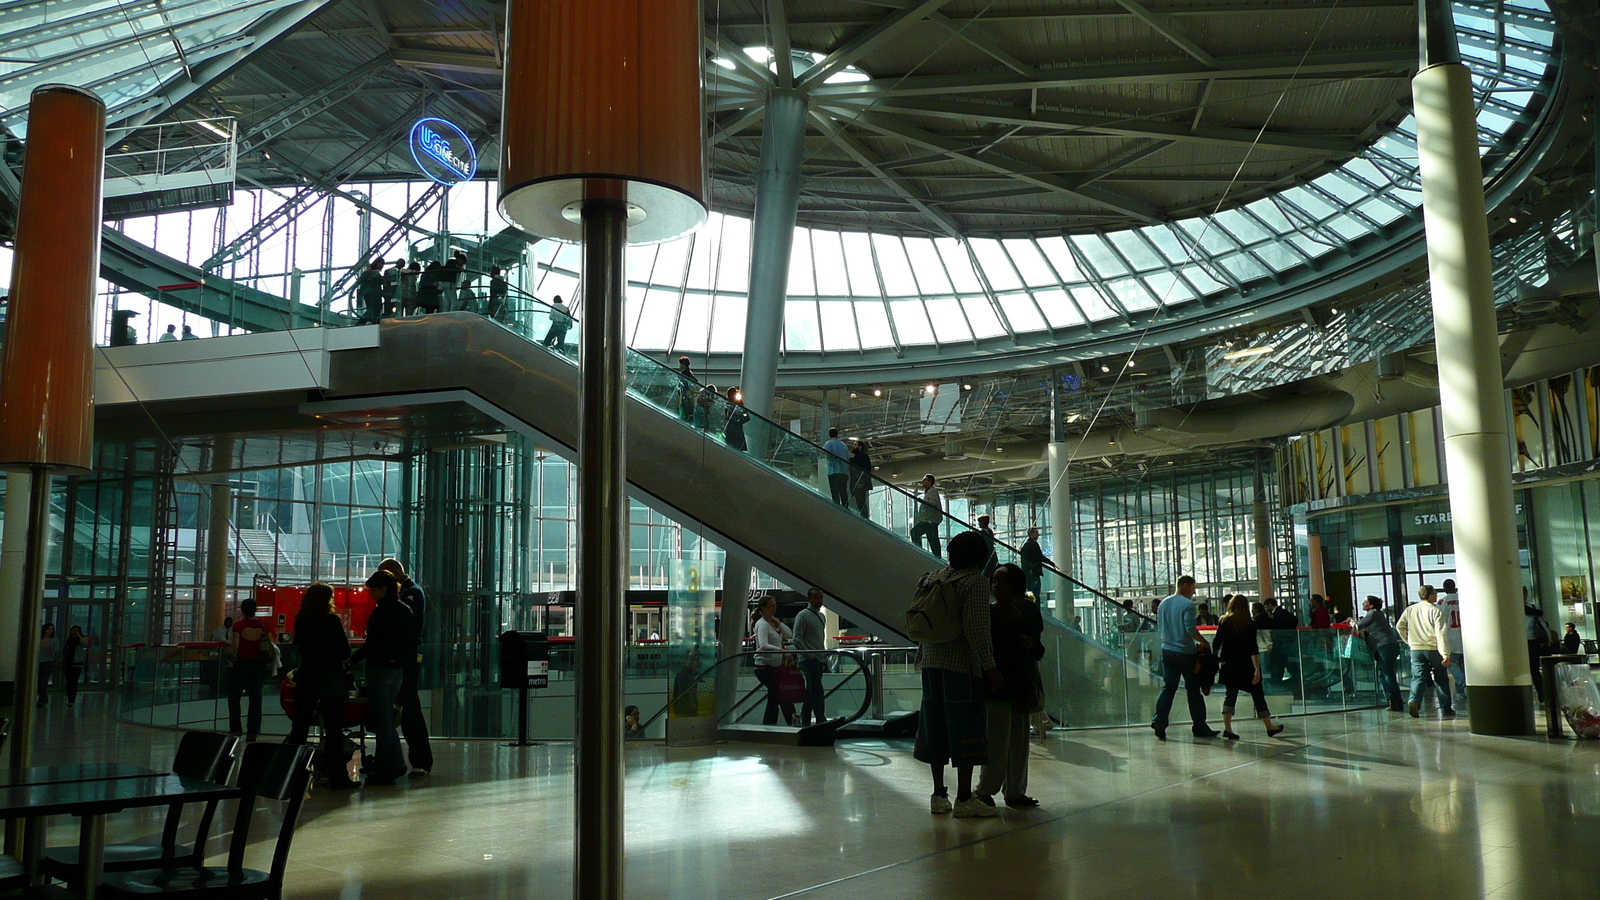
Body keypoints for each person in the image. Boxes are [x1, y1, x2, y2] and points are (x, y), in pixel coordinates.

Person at [914, 531, 1003, 818]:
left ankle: (938, 795)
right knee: (966, 729)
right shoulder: (975, 583)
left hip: (930, 664)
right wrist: (989, 667)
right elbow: (977, 628)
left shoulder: (932, 578)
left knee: (935, 726)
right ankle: (964, 798)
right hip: (961, 668)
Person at [975, 563, 1042, 809]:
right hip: (1001, 683)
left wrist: (1029, 644)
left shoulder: (1020, 611)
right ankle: (992, 790)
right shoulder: (995, 612)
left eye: (1001, 581)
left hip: (1015, 682)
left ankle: (1007, 790)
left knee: (1012, 739)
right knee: (1000, 738)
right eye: (994, 581)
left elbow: (1038, 648)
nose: (996, 586)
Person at [286, 583, 356, 789]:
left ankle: (292, 774)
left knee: (299, 728)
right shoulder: (332, 620)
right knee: (334, 730)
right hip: (330, 679)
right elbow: (344, 651)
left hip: (307, 677)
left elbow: (299, 650)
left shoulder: (302, 621)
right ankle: (338, 777)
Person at [351, 569, 414, 785]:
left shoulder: (379, 614)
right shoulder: (405, 610)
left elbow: (371, 645)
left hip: (379, 669)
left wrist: (351, 660)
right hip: (398, 670)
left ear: (383, 589)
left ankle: (390, 764)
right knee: (387, 718)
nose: (371, 594)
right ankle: (391, 763)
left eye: (373, 590)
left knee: (381, 721)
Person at [377, 557, 433, 777]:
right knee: (403, 709)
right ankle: (402, 760)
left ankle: (420, 761)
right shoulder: (407, 594)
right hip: (399, 659)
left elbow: (406, 627)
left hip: (406, 659)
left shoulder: (411, 594)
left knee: (409, 708)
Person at [1150, 575, 1216, 741]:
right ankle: (1200, 726)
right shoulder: (1187, 605)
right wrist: (1204, 642)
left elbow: (1161, 627)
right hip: (1185, 653)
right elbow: (1190, 629)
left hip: (1167, 650)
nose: (1193, 592)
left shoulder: (1164, 603)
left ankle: (1159, 720)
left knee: (1169, 687)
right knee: (1193, 690)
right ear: (1185, 586)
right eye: (1193, 588)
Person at [1211, 594, 1286, 740]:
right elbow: (1253, 648)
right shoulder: (1250, 623)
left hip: (1229, 663)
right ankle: (1269, 726)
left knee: (1230, 694)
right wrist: (1257, 669)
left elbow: (1217, 642)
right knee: (1257, 694)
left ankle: (1228, 728)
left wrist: (1216, 659)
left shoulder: (1224, 621)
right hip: (1246, 665)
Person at [1397, 584, 1455, 719]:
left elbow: (1399, 626)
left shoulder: (1410, 609)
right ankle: (1446, 708)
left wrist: (1408, 640)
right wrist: (1445, 654)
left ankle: (1414, 700)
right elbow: (1441, 634)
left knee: (1418, 677)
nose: (1436, 595)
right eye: (1435, 593)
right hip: (1433, 648)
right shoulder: (1435, 611)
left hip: (1416, 649)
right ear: (1430, 595)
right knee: (1441, 678)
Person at [227, 601, 271, 740]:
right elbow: (271, 643)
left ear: (242, 610)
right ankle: (253, 732)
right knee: (256, 698)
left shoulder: (238, 625)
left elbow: (235, 646)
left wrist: (228, 653)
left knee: (234, 697)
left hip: (242, 664)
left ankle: (235, 729)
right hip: (259, 665)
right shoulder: (263, 625)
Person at [1354, 595, 1404, 711]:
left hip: (1383, 646)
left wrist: (1352, 623)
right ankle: (1390, 697)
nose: (1362, 603)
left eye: (1365, 602)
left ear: (1371, 605)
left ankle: (1397, 702)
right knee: (1383, 673)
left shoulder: (1373, 613)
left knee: (1388, 674)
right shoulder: (1377, 615)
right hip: (1387, 645)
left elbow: (1358, 626)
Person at [751, 595, 795, 726]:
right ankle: (791, 722)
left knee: (775, 697)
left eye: (775, 605)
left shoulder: (771, 623)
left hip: (775, 666)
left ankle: (770, 725)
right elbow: (763, 645)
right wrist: (781, 651)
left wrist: (777, 622)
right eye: (771, 606)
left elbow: (789, 634)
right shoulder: (762, 625)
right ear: (763, 608)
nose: (774, 608)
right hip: (766, 667)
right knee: (780, 695)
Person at [792, 588, 828, 726]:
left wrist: (823, 658)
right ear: (809, 599)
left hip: (817, 658)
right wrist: (810, 654)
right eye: (816, 597)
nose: (819, 600)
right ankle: (820, 718)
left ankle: (805, 719)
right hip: (808, 660)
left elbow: (820, 639)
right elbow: (796, 639)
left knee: (811, 691)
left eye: (821, 597)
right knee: (817, 689)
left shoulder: (821, 616)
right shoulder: (803, 616)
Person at [1438, 578, 1466, 707]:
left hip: (1451, 640)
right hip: (1465, 640)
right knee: (1464, 667)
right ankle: (1462, 691)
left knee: (1453, 665)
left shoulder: (1442, 602)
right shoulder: (1465, 598)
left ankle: (1464, 686)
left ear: (1444, 588)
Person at [1525, 595, 1555, 703]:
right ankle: (1541, 693)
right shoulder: (1534, 610)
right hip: (1531, 641)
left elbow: (1542, 625)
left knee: (1534, 669)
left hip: (1529, 641)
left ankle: (1541, 693)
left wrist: (1548, 638)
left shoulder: (1531, 608)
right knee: (1534, 669)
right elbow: (1543, 624)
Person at [911, 474, 945, 558]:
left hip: (929, 521)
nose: (922, 482)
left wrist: (923, 501)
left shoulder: (932, 491)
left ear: (929, 481)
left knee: (915, 532)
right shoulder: (930, 492)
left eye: (924, 480)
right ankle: (937, 558)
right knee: (933, 540)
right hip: (930, 520)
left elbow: (933, 503)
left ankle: (920, 553)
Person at [1019, 527, 1051, 600]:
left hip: (1028, 572)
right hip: (1033, 572)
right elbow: (1039, 556)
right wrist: (1050, 563)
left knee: (1030, 592)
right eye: (1036, 532)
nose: (1038, 534)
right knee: (1035, 594)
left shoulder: (1026, 545)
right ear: (1031, 534)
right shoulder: (1033, 544)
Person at [823, 428, 851, 506]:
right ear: (837, 434)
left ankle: (837, 508)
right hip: (843, 472)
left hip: (833, 471)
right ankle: (846, 508)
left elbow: (823, 452)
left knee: (835, 493)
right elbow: (848, 458)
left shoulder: (828, 444)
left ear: (829, 435)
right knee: (843, 492)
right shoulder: (844, 445)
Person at [62, 625, 87, 706]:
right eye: (73, 630)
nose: (75, 632)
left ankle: (72, 700)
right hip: (68, 664)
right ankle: (69, 698)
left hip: (77, 664)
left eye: (77, 631)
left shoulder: (80, 641)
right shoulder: (68, 641)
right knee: (69, 682)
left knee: (74, 682)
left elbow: (85, 643)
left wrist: (79, 636)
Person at [849, 440, 873, 518]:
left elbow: (863, 468)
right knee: (860, 501)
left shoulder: (862, 456)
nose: (853, 446)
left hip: (860, 482)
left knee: (861, 501)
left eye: (855, 444)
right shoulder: (860, 456)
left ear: (860, 447)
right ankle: (864, 516)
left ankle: (864, 516)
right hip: (860, 482)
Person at [356, 259, 385, 324]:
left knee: (375, 309)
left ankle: (373, 322)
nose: (382, 266)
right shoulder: (370, 272)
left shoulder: (373, 272)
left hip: (374, 293)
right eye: (381, 263)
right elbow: (362, 279)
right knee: (372, 310)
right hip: (371, 294)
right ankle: (362, 323)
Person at [722, 387, 750, 451]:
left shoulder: (729, 405)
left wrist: (741, 407)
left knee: (731, 447)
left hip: (734, 429)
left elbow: (747, 417)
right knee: (735, 448)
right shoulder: (728, 406)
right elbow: (746, 417)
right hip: (735, 429)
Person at [36, 623, 56, 708]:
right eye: (48, 629)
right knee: (38, 681)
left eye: (51, 629)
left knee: (43, 681)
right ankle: (43, 698)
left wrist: (51, 646)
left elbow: (57, 650)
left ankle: (42, 699)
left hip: (47, 662)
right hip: (38, 661)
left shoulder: (54, 640)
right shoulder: (38, 640)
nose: (50, 631)